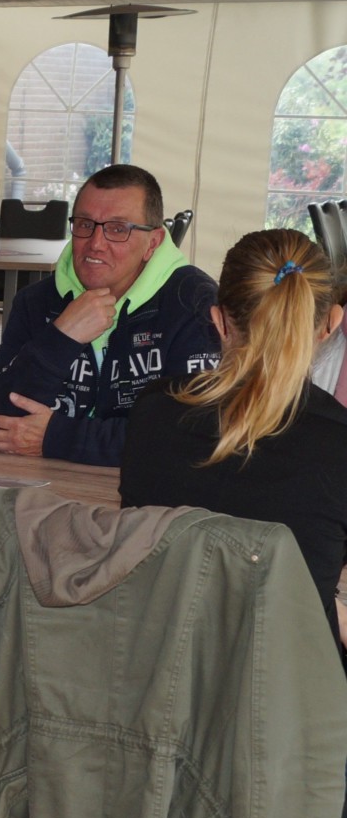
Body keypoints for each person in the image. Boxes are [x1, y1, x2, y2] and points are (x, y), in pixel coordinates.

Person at [121, 229, 347, 662]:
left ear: (219, 321)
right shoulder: (337, 442)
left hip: (157, 671)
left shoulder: (153, 412)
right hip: (288, 693)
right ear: (330, 325)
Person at [0, 163, 219, 466]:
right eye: (85, 224)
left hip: (147, 501)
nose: (95, 244)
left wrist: (56, 437)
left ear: (152, 242)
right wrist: (61, 338)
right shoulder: (36, 302)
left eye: (117, 229)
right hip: (41, 486)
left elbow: (194, 435)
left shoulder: (194, 304)